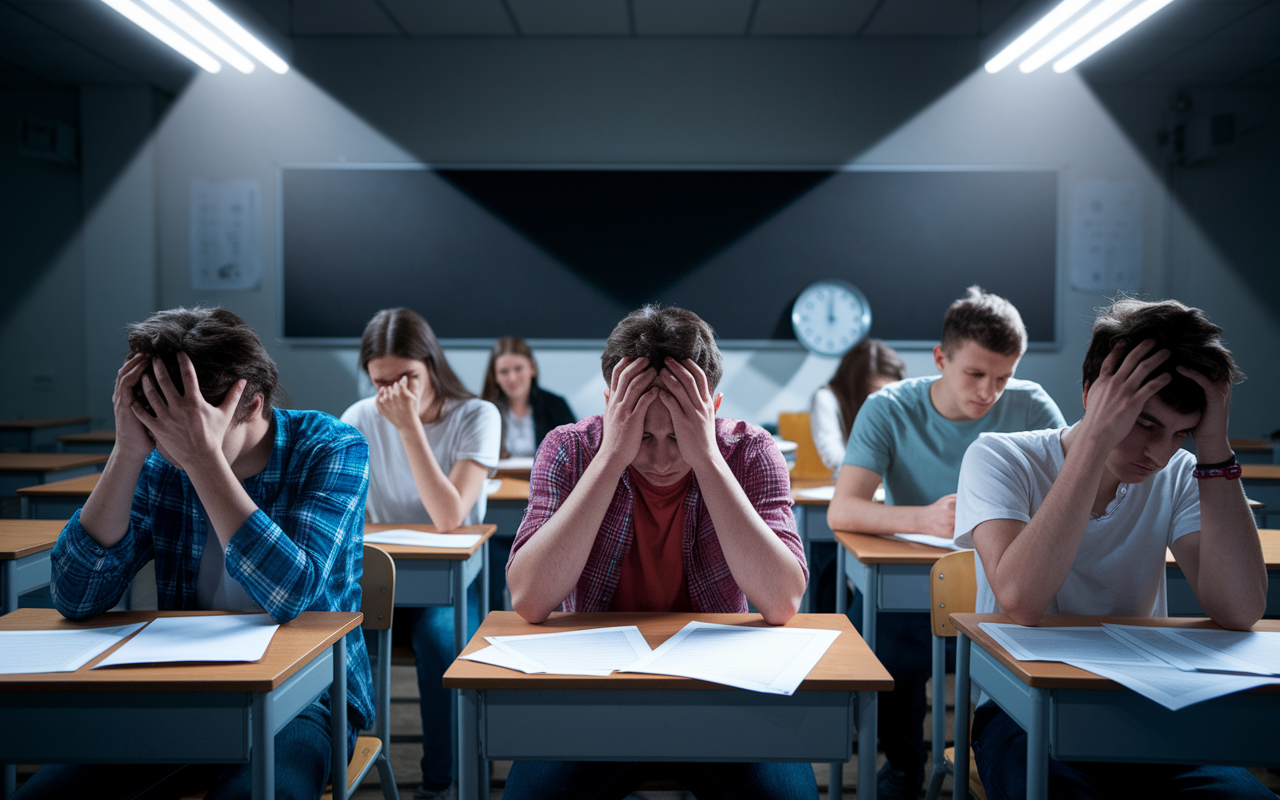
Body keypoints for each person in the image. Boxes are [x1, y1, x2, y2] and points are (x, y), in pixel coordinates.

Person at [21, 307, 373, 800]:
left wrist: (203, 459)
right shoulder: (161, 461)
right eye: (161, 430)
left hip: (307, 693)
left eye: (188, 431)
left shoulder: (331, 446)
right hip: (184, 685)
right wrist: (127, 451)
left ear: (251, 403)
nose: (173, 450)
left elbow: (290, 595)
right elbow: (75, 597)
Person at [955, 298, 1271, 799]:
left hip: (1145, 705)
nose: (1161, 452)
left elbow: (1240, 610)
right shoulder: (1000, 458)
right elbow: (1021, 600)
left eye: (1181, 433)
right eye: (1145, 423)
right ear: (1091, 394)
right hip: (1023, 708)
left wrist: (1213, 449)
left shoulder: (1182, 473)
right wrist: (1095, 443)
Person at [503, 305, 816, 800]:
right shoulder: (570, 448)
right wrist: (611, 455)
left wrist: (708, 457)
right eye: (643, 435)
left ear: (713, 408)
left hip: (720, 693)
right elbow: (529, 599)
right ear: (611, 405)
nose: (663, 457)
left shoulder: (752, 451)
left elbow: (781, 602)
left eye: (680, 434)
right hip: (599, 692)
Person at [826, 286, 1066, 799]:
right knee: (885, 643)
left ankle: (996, 757)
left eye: (1003, 377)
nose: (989, 392)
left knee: (1042, 647)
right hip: (914, 578)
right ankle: (904, 764)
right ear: (940, 358)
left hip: (1005, 583)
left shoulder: (1032, 406)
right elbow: (842, 509)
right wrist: (929, 518)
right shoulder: (888, 407)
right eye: (975, 374)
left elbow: (1071, 500)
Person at [339, 307, 500, 800]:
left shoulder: (476, 415)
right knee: (324, 639)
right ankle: (337, 759)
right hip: (382, 577)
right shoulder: (358, 417)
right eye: (380, 382)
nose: (394, 394)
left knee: (437, 639)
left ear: (431, 363)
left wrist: (408, 428)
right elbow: (351, 519)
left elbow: (450, 516)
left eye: (406, 377)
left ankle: (440, 781)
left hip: (447, 585)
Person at [809, 338, 907, 478]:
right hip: (848, 483)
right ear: (854, 386)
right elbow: (833, 455)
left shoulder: (894, 402)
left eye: (891, 391)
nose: (884, 399)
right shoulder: (827, 398)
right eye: (876, 390)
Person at [481, 336, 576, 459]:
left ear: (532, 368)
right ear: (495, 376)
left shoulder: (555, 405)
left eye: (518, 369)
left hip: (548, 477)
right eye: (504, 371)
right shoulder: (486, 410)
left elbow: (575, 453)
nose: (512, 378)